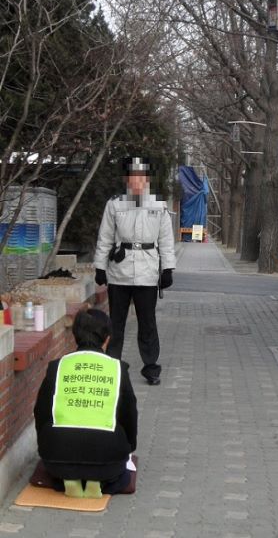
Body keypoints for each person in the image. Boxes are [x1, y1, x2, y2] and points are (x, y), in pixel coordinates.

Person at [34, 309, 137, 497]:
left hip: (57, 457)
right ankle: (99, 482)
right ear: (107, 339)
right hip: (107, 459)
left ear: (75, 336)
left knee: (51, 469)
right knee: (120, 475)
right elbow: (129, 414)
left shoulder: (57, 366)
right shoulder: (118, 369)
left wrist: (45, 443)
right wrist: (129, 447)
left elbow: (41, 412)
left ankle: (67, 481)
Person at [94, 157, 176, 385]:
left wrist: (168, 268)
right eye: (132, 177)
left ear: (147, 179)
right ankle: (112, 365)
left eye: (141, 177)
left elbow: (166, 240)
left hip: (147, 272)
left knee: (147, 322)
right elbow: (105, 237)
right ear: (126, 179)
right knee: (116, 323)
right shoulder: (115, 204)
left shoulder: (158, 205)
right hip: (119, 270)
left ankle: (151, 367)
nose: (137, 181)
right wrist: (100, 267)